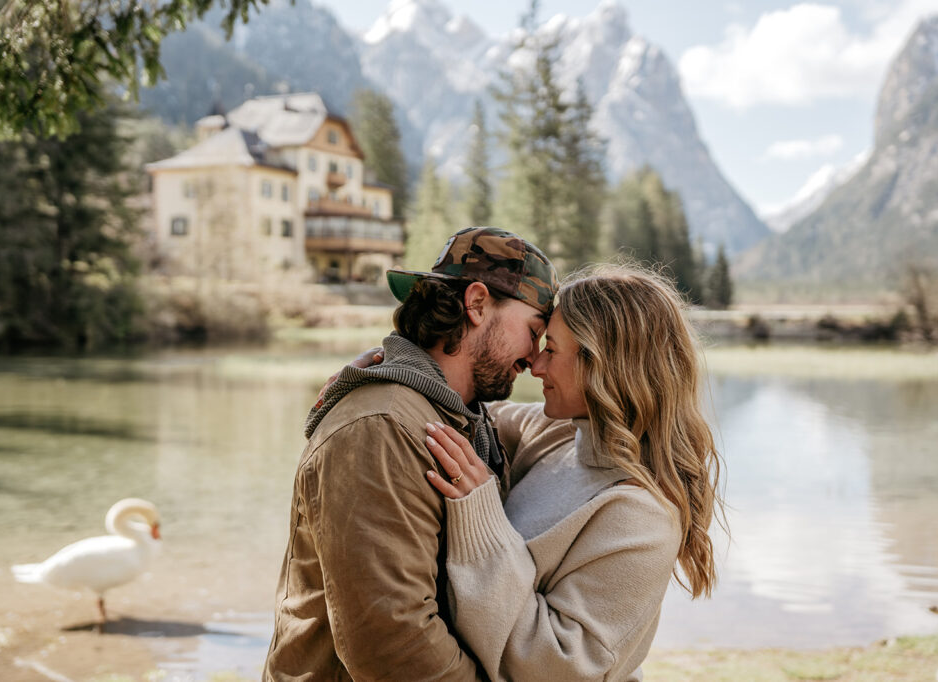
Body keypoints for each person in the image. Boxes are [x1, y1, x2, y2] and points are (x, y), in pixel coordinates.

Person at [264, 227, 559, 681]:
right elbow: (392, 645)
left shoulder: (458, 417)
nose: (534, 358)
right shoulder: (381, 428)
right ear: (477, 304)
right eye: (533, 332)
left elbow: (562, 426)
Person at [420, 264, 725, 682]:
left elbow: (558, 666)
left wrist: (481, 517)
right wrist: (390, 369)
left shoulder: (640, 515)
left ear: (602, 365)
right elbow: (448, 405)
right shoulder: (558, 433)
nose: (536, 365)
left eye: (553, 350)